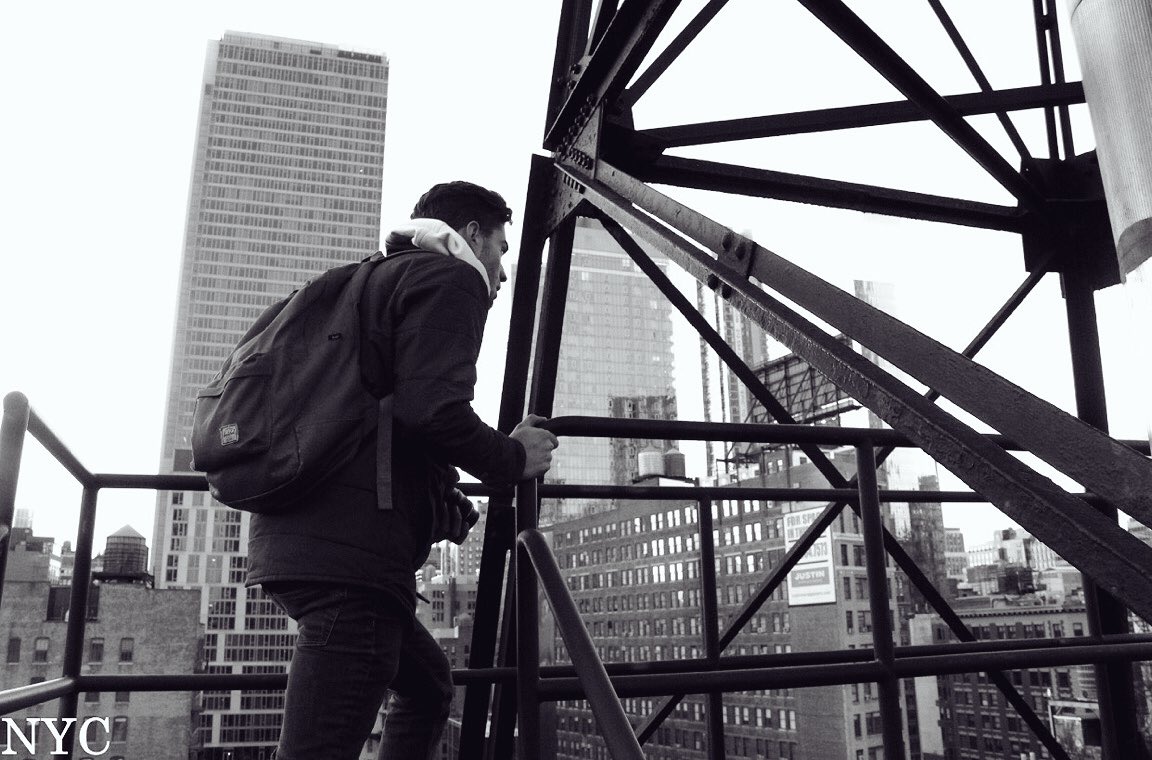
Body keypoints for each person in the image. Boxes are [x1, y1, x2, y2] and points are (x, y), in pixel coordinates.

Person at [246, 181, 559, 759]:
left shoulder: (376, 278)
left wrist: (443, 502)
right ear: (469, 236)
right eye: (501, 248)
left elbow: (384, 420)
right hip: (351, 564)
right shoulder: (452, 277)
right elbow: (431, 411)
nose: (504, 270)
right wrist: (513, 458)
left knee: (428, 685)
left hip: (307, 538)